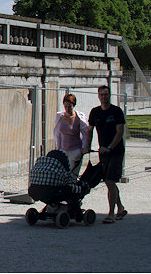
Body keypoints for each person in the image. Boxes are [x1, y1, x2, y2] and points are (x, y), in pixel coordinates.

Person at [84, 85, 129, 223]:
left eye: (106, 94)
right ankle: (120, 208)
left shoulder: (116, 111)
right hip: (103, 151)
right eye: (101, 95)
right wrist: (87, 146)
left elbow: (119, 132)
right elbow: (90, 130)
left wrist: (109, 147)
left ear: (110, 95)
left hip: (116, 151)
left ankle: (111, 213)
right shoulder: (95, 112)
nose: (104, 97)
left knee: (110, 180)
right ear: (98, 96)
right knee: (110, 182)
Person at [53, 93, 89, 165]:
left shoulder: (79, 118)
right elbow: (57, 134)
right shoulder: (60, 117)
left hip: (75, 150)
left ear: (74, 105)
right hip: (63, 151)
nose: (67, 109)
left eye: (70, 106)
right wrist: (58, 148)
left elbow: (85, 133)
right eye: (65, 106)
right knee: (64, 174)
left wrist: (83, 147)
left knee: (72, 175)